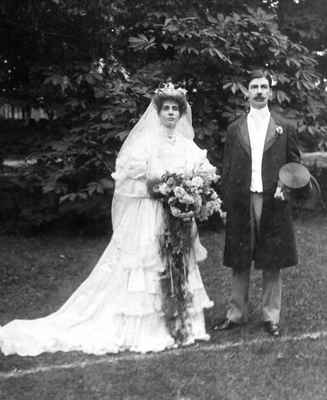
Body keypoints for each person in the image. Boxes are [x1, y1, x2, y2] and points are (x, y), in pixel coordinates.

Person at [0, 84, 214, 356]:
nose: (171, 113)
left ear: (181, 114)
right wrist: (161, 188)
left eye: (175, 109)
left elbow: (202, 175)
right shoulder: (144, 143)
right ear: (158, 113)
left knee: (177, 263)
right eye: (166, 109)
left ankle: (182, 325)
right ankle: (149, 328)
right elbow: (128, 182)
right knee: (146, 265)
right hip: (148, 215)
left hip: (177, 216)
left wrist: (190, 194)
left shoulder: (187, 145)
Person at [215, 69, 301, 337]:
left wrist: (283, 186)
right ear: (246, 92)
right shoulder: (234, 129)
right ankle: (236, 314)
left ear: (270, 92)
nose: (260, 91)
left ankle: (271, 316)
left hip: (272, 200)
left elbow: (294, 164)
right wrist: (227, 202)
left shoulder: (285, 127)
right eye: (254, 87)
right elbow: (227, 168)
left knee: (272, 259)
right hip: (242, 199)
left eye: (264, 87)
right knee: (240, 259)